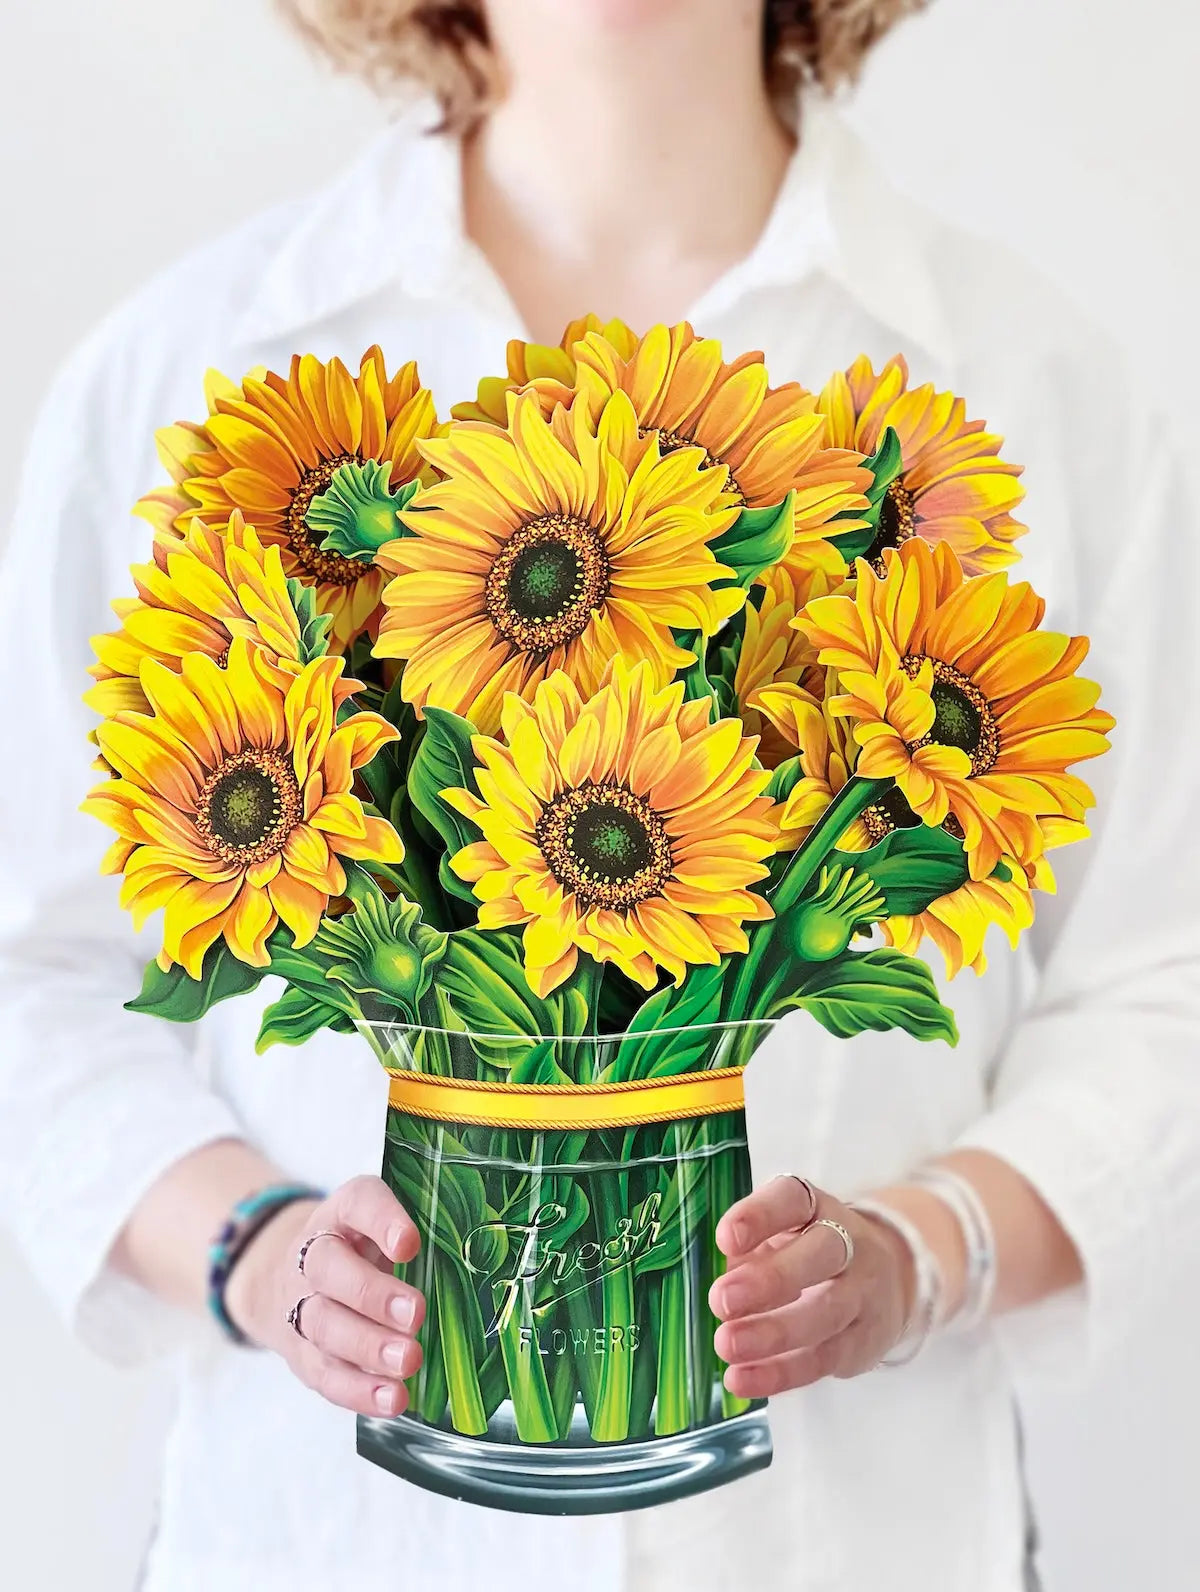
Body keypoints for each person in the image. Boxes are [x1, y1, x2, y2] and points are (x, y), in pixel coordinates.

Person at [1, 3, 1197, 1590]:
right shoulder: (189, 371)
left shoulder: (1041, 388)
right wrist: (256, 1249)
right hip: (325, 1545)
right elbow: (40, 978)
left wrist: (921, 1256)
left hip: (862, 1542)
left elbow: (1163, 986)